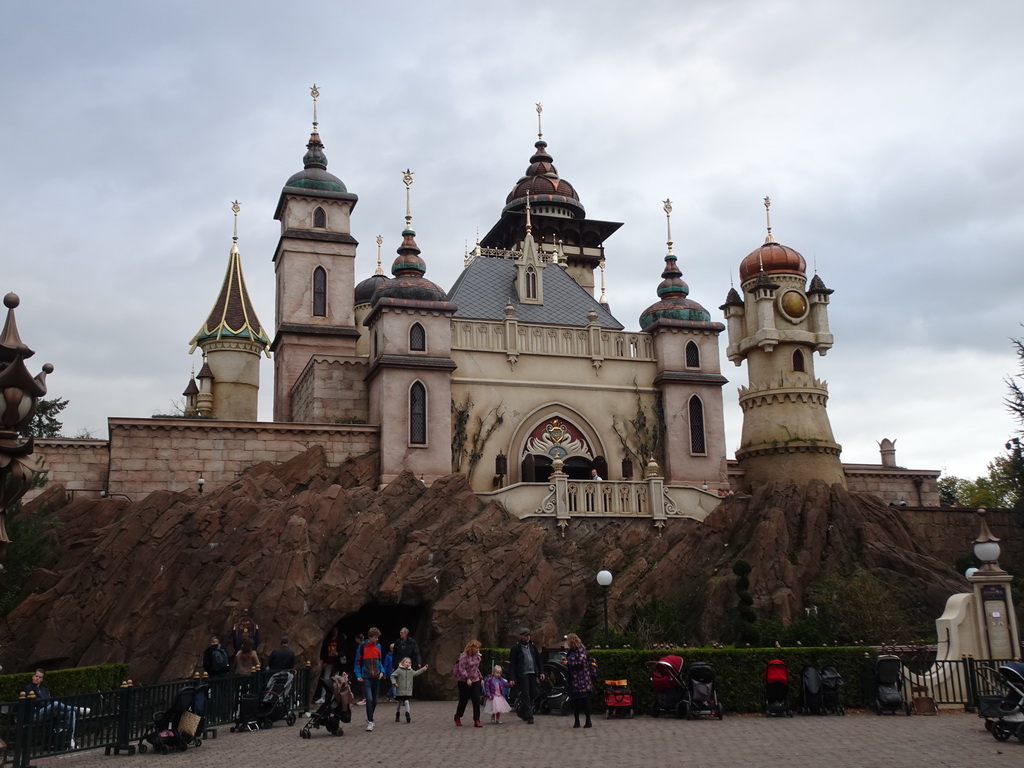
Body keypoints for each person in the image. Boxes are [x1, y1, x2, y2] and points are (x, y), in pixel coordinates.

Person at [24, 669, 90, 749]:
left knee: (71, 713)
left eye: (39, 677)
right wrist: (49, 705)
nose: (37, 678)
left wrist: (50, 707)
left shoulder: (43, 690)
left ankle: (70, 739)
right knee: (55, 704)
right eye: (36, 676)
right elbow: (38, 702)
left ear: (42, 679)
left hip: (49, 714)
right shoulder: (29, 688)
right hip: (36, 714)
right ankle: (77, 709)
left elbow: (49, 699)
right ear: (33, 677)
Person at [508, 627, 544, 724]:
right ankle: (529, 716)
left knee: (533, 693)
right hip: (522, 674)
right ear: (521, 636)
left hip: (532, 673)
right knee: (526, 694)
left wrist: (541, 672)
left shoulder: (533, 647)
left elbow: (538, 660)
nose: (527, 637)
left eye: (528, 635)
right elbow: (512, 664)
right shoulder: (516, 648)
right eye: (525, 635)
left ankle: (521, 711)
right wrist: (512, 678)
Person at [354, 627, 385, 731]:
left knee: (375, 700)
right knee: (369, 699)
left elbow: (379, 661)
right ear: (370, 637)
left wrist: (382, 671)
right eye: (375, 637)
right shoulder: (363, 647)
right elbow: (357, 663)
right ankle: (371, 721)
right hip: (366, 677)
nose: (377, 639)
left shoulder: (378, 646)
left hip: (376, 676)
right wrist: (358, 675)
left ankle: (369, 716)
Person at [565, 633, 594, 728]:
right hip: (575, 679)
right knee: (575, 700)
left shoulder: (581, 649)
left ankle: (588, 721)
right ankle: (576, 721)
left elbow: (582, 662)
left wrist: (569, 662)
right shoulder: (572, 650)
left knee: (585, 700)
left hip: (582, 679)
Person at [452, 639, 483, 727]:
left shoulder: (477, 656)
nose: (477, 649)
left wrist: (481, 678)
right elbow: (462, 668)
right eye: (475, 647)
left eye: (478, 648)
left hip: (475, 679)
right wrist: (467, 678)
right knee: (464, 700)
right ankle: (458, 716)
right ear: (471, 647)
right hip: (464, 681)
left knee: (476, 699)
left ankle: (477, 719)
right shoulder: (464, 656)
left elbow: (477, 668)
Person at [390, 656, 428, 723]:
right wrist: (394, 683)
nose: (408, 663)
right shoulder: (399, 670)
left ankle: (407, 714)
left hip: (407, 690)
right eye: (406, 662)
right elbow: (392, 676)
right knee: (399, 702)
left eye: (409, 662)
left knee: (406, 701)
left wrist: (424, 668)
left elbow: (416, 673)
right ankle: (397, 714)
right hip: (400, 690)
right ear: (403, 663)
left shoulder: (411, 671)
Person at [314, 627, 344, 705]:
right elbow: (324, 649)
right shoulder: (328, 638)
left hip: (337, 662)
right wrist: (324, 660)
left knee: (336, 681)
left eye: (335, 630)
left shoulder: (341, 638)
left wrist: (338, 654)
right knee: (325, 679)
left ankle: (335, 698)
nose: (334, 631)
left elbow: (344, 650)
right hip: (328, 661)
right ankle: (322, 697)